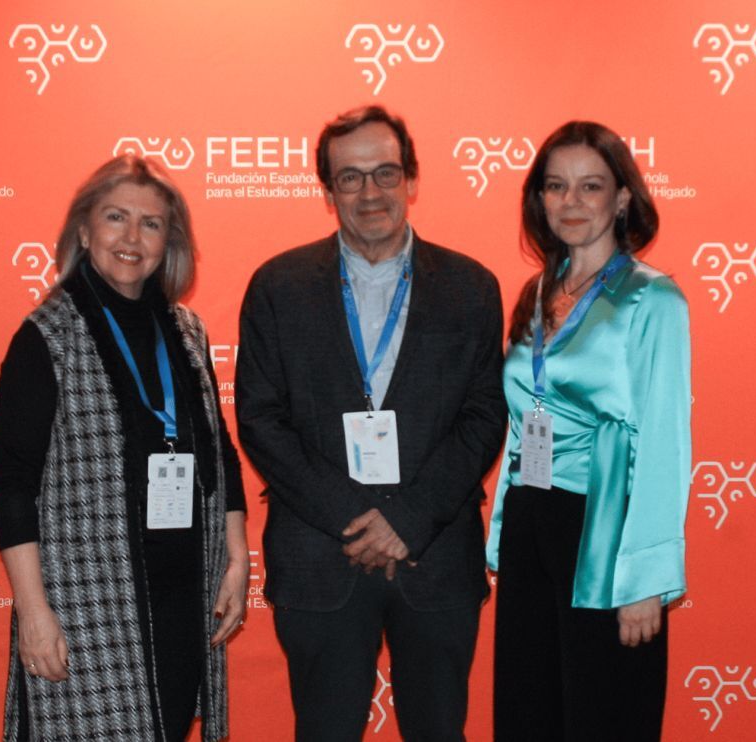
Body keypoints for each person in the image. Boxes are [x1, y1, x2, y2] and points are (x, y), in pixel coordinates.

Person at [235, 105, 507, 741]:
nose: (370, 193)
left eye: (385, 173)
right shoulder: (277, 286)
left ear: (411, 179)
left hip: (436, 555)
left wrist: (407, 520)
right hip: (320, 554)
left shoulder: (471, 287)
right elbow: (261, 418)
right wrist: (356, 517)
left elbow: (484, 415)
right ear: (328, 191)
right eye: (350, 178)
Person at [0, 154, 248, 741]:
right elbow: (11, 485)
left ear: (168, 242)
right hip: (86, 604)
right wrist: (33, 612)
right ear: (84, 231)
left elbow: (219, 453)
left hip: (181, 596)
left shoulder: (187, 332)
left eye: (150, 223)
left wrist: (236, 558)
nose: (132, 238)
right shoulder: (47, 337)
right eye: (115, 217)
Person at [485, 121, 692, 740]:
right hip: (531, 522)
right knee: (528, 713)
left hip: (604, 530)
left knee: (604, 715)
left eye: (590, 186)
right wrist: (504, 531)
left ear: (622, 198)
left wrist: (645, 578)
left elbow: (664, 442)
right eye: (556, 186)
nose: (570, 202)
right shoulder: (538, 292)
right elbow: (523, 421)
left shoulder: (654, 300)